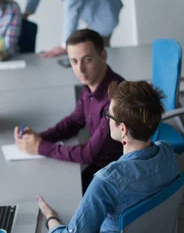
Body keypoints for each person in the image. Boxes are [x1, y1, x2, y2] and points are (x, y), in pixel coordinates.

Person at [36, 80, 179, 233]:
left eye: (108, 117)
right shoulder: (168, 153)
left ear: (122, 128)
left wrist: (51, 220)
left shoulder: (108, 181)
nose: (107, 121)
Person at [14, 29, 124, 191]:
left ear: (103, 56)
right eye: (73, 61)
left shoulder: (114, 100)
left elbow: (87, 154)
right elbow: (74, 121)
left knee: (52, 190)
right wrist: (39, 138)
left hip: (112, 176)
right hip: (98, 165)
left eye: (87, 60)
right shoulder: (91, 83)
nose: (80, 69)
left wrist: (40, 147)